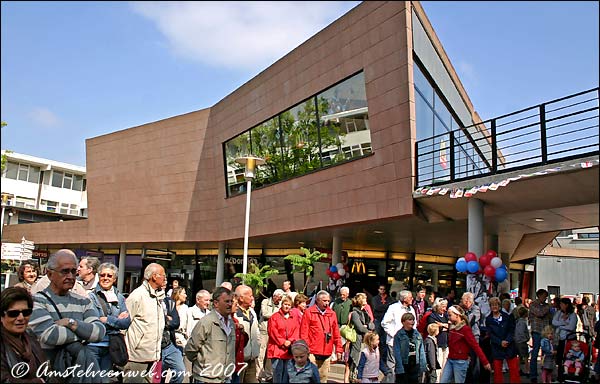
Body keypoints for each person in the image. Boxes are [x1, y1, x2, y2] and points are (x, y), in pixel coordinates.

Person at [29, 249, 106, 377]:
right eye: (65, 271)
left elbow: (99, 332)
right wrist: (85, 333)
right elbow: (50, 335)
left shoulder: (83, 301)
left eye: (73, 272)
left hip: (78, 372)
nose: (70, 276)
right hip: (48, 372)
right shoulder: (36, 301)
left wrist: (72, 323)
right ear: (49, 274)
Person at [123, 263, 166, 383]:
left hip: (152, 355)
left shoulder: (158, 296)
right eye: (163, 275)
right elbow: (123, 324)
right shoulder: (137, 296)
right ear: (154, 276)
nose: (165, 278)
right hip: (136, 356)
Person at [88, 262, 131, 379]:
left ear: (115, 279)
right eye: (103, 275)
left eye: (109, 276)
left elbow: (126, 323)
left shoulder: (120, 297)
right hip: (93, 346)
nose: (105, 278)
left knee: (105, 380)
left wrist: (107, 319)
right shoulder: (90, 297)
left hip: (111, 347)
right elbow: (94, 320)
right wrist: (116, 320)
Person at [185, 286, 236, 383]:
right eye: (226, 301)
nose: (230, 304)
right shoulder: (206, 322)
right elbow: (191, 348)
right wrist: (203, 362)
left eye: (231, 301)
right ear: (216, 303)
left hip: (225, 377)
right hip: (206, 378)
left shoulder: (231, 323)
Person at [1, 287, 47, 383]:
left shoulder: (31, 338)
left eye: (26, 312)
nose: (21, 318)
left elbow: (47, 372)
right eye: (13, 313)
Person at [300, 290, 343, 383]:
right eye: (324, 301)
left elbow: (336, 334)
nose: (327, 303)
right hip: (311, 351)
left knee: (323, 378)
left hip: (327, 351)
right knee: (310, 377)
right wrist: (306, 348)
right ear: (317, 300)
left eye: (328, 301)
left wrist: (339, 349)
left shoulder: (332, 314)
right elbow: (303, 333)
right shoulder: (309, 312)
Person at [440, 305, 491, 383]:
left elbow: (475, 346)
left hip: (460, 361)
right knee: (443, 381)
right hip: (450, 359)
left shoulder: (465, 329)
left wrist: (485, 362)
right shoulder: (452, 327)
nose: (448, 317)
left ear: (457, 315)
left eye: (450, 315)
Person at [382, 290, 415, 382]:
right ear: (404, 299)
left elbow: (414, 324)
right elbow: (385, 323)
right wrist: (394, 334)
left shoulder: (411, 309)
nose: (412, 299)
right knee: (392, 366)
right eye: (410, 297)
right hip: (394, 342)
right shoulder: (393, 308)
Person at [486, 296, 520, 383]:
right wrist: (500, 342)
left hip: (509, 346)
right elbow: (490, 334)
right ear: (490, 307)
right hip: (497, 347)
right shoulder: (488, 319)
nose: (494, 307)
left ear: (499, 306)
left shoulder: (507, 317)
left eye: (496, 305)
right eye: (492, 305)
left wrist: (507, 341)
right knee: (497, 372)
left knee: (514, 370)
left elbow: (511, 330)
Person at [267, 295, 300, 383]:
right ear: (282, 304)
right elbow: (272, 332)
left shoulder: (294, 318)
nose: (287, 306)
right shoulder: (274, 317)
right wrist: (282, 342)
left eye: (289, 305)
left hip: (289, 350)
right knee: (278, 374)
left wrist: (291, 341)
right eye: (285, 304)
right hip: (276, 349)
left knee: (287, 375)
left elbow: (297, 331)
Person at [234, 284, 260, 383]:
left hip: (252, 358)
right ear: (241, 298)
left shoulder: (252, 312)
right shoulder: (234, 313)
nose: (252, 298)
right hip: (239, 360)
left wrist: (257, 347)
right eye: (250, 296)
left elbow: (256, 332)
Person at [348, 293, 375, 382]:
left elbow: (372, 325)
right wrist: (367, 329)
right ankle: (354, 378)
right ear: (360, 300)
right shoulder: (355, 313)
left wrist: (367, 326)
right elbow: (359, 328)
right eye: (364, 298)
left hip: (365, 340)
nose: (366, 300)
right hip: (357, 339)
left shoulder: (365, 312)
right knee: (356, 360)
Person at [393, 313, 426, 384]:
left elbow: (421, 350)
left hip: (415, 365)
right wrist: (400, 368)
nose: (412, 322)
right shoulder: (399, 335)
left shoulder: (417, 334)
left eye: (413, 320)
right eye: (410, 320)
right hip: (404, 365)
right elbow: (397, 352)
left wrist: (423, 365)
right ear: (403, 322)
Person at [258, 289, 283, 382]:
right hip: (264, 329)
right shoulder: (265, 302)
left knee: (269, 353)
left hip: (273, 331)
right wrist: (277, 315)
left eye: (281, 298)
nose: (279, 300)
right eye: (279, 298)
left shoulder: (280, 304)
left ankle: (268, 374)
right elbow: (264, 314)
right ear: (274, 296)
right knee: (261, 352)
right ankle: (259, 374)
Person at [529, 288, 552, 383]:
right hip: (537, 331)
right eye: (544, 297)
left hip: (545, 332)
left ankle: (546, 374)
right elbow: (540, 313)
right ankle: (533, 375)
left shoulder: (547, 305)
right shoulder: (533, 304)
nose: (545, 299)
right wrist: (548, 307)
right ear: (539, 296)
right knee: (535, 353)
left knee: (547, 353)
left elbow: (550, 317)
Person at [552, 297, 578, 382]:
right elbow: (554, 322)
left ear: (566, 305)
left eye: (562, 304)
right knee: (560, 358)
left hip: (569, 339)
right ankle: (560, 377)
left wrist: (561, 326)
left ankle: (569, 375)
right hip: (561, 339)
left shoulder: (573, 315)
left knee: (569, 357)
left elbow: (571, 327)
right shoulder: (559, 313)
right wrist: (563, 322)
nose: (560, 305)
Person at [459, 292, 481, 382]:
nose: (461, 301)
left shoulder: (476, 309)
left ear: (467, 301)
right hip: (463, 337)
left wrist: (461, 317)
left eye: (462, 300)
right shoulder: (462, 309)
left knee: (475, 358)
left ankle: (476, 379)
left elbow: (469, 321)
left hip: (473, 336)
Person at [372, 284, 394, 369]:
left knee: (385, 341)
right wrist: (387, 306)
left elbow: (391, 306)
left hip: (386, 321)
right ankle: (375, 358)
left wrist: (386, 306)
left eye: (384, 289)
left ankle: (384, 360)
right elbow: (377, 307)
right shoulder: (375, 299)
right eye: (381, 289)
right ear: (378, 290)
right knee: (377, 339)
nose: (382, 291)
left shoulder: (390, 299)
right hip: (378, 320)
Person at [427, 297, 449, 382]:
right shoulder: (432, 316)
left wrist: (442, 325)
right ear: (437, 306)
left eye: (445, 306)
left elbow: (451, 326)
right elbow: (434, 328)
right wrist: (445, 326)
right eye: (443, 306)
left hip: (446, 343)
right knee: (438, 365)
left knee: (445, 366)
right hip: (437, 344)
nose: (444, 309)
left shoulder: (446, 315)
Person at [514, 306, 530, 378]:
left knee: (519, 356)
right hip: (522, 341)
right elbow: (522, 332)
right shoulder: (523, 322)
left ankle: (519, 369)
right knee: (526, 356)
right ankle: (527, 370)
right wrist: (526, 338)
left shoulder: (517, 321)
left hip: (516, 341)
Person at [172, 287, 189, 351]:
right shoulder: (170, 306)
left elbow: (188, 325)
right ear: (178, 294)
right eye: (184, 293)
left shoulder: (185, 308)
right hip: (170, 338)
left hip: (181, 339)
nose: (186, 295)